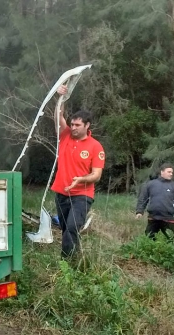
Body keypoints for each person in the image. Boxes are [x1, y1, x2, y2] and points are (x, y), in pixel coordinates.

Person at [51, 85, 105, 258]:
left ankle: (65, 263)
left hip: (82, 194)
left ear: (87, 125)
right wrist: (61, 97)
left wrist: (80, 180)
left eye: (77, 125)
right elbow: (58, 115)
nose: (73, 127)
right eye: (72, 124)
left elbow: (96, 175)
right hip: (61, 192)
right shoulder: (65, 135)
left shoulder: (95, 146)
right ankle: (77, 258)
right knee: (66, 229)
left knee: (73, 227)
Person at [135, 163, 174, 241]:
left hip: (169, 219)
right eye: (169, 172)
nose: (171, 174)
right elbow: (143, 199)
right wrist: (139, 212)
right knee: (149, 240)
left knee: (168, 241)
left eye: (172, 172)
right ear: (162, 172)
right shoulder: (151, 184)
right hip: (153, 218)